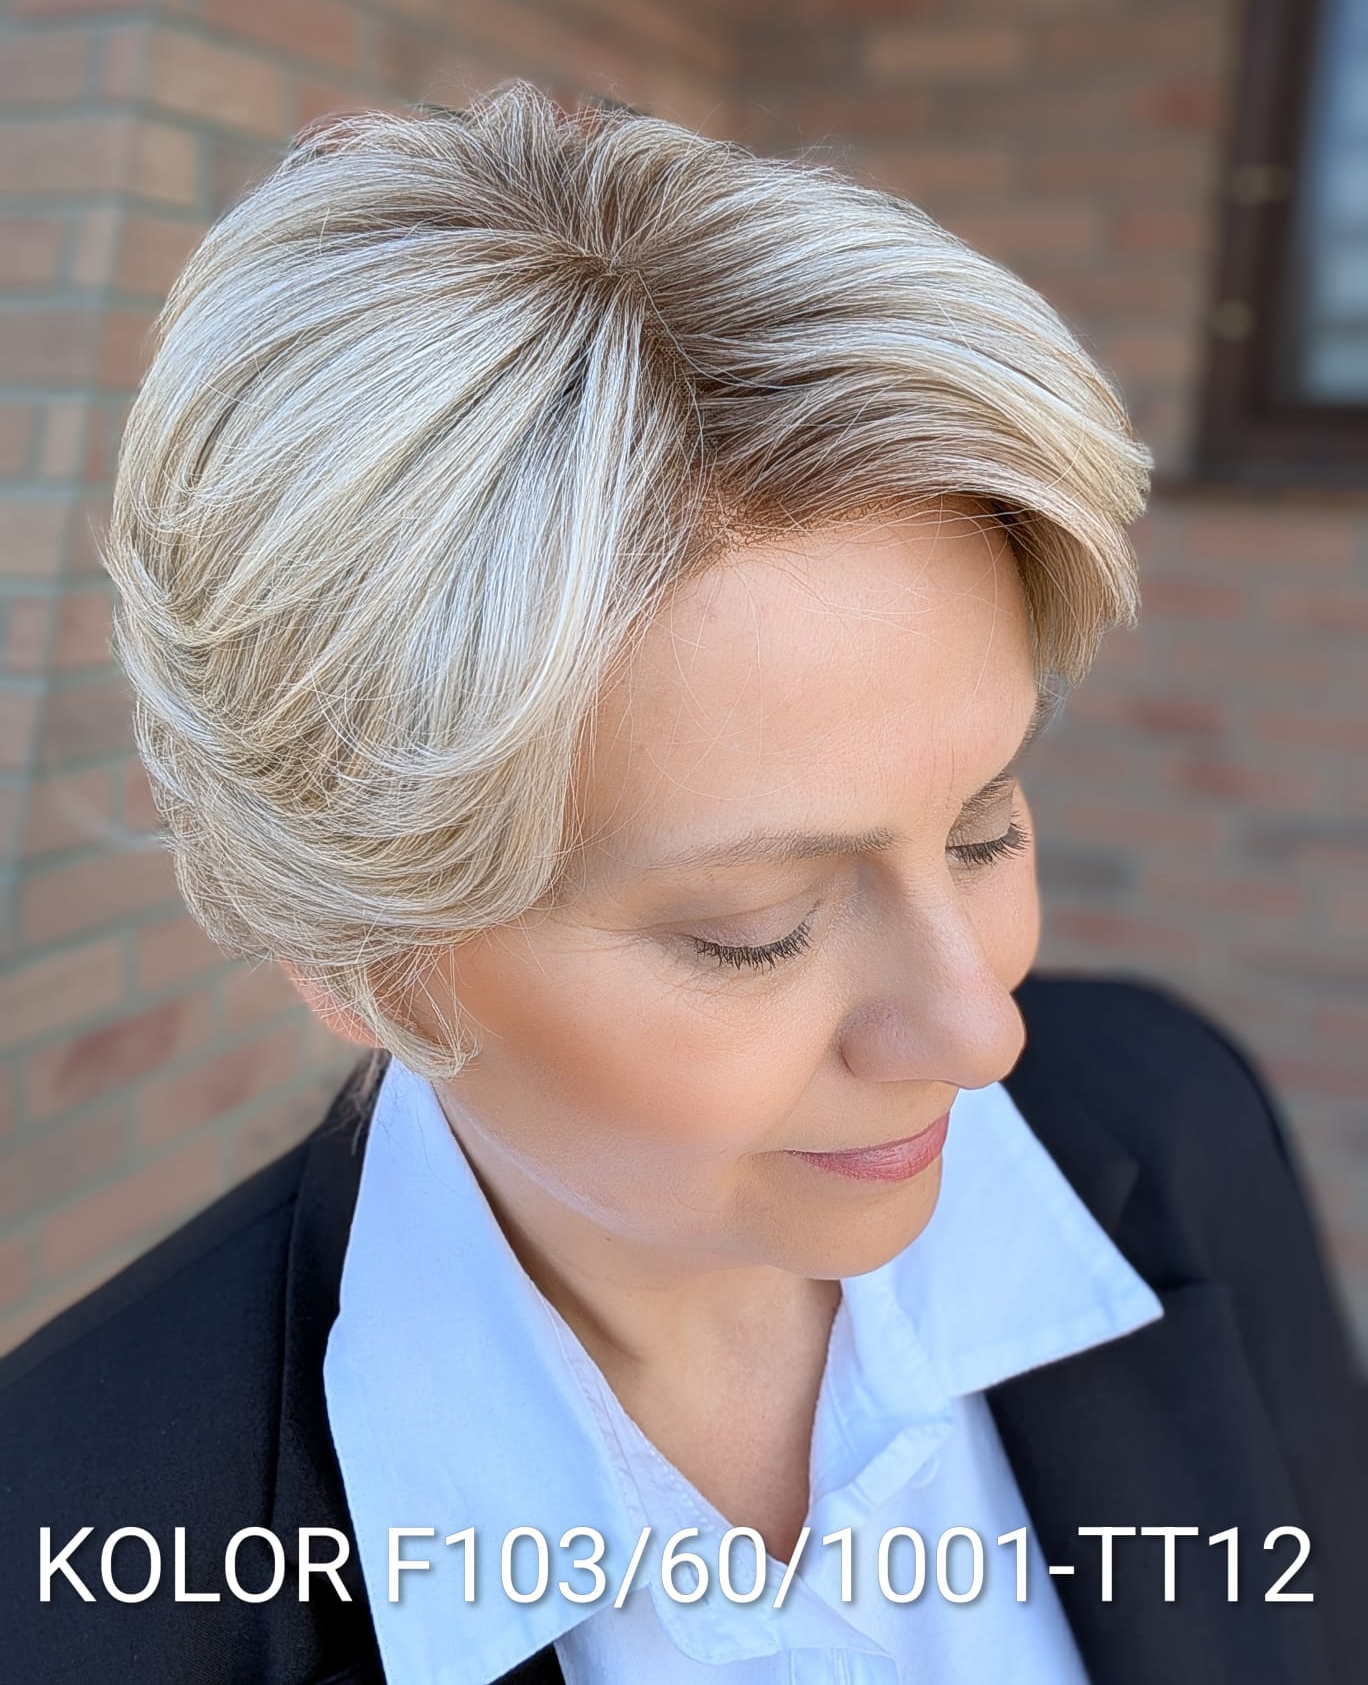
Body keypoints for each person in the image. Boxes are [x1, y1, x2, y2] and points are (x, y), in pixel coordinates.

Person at [2, 81, 1363, 1685]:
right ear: (355, 948)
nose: (979, 1032)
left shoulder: (1176, 1125)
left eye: (985, 825)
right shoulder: (72, 1576)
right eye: (755, 932)